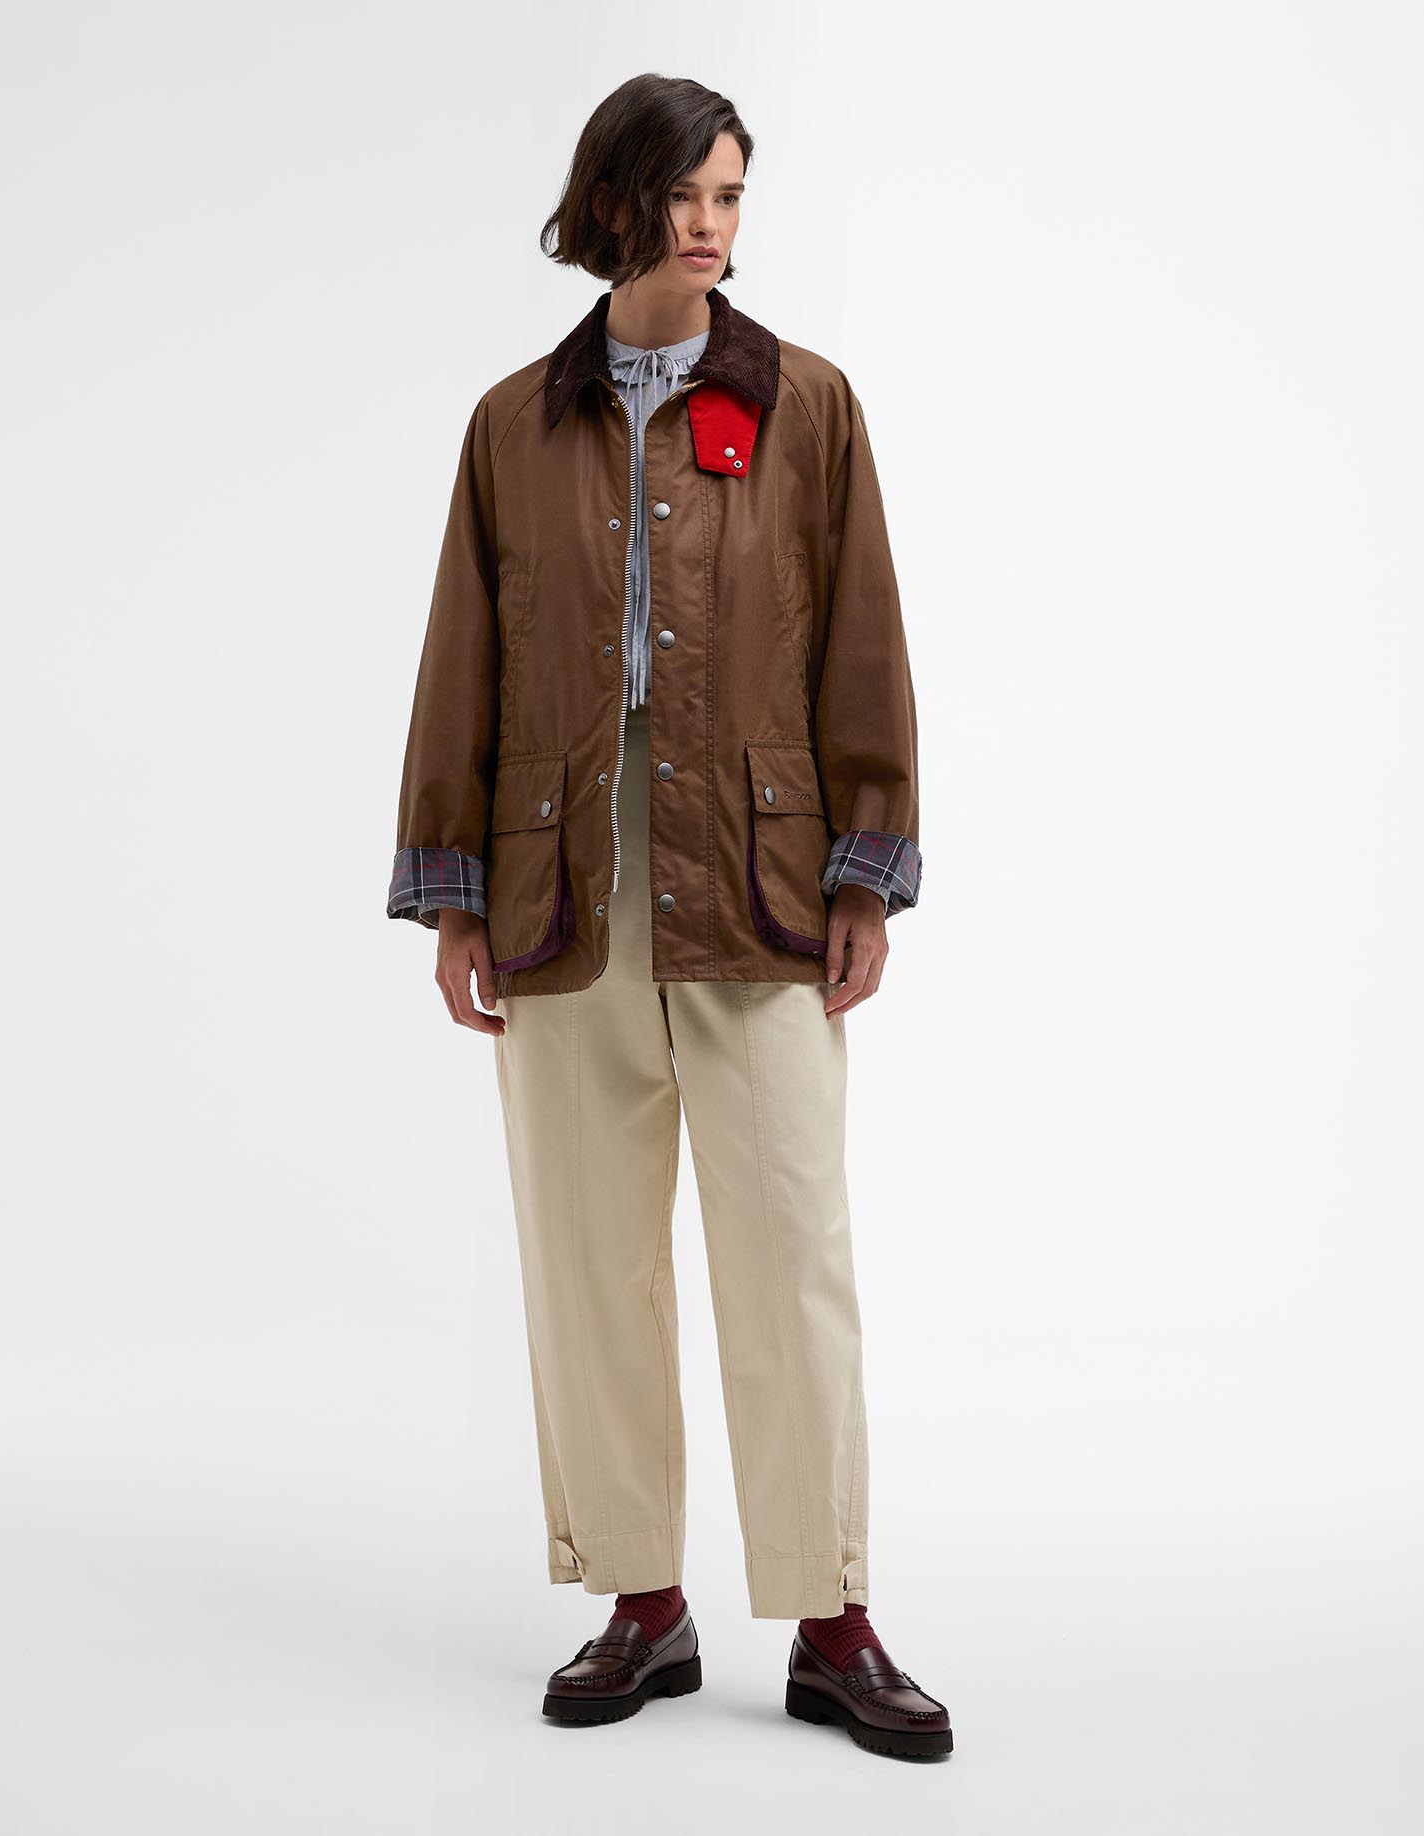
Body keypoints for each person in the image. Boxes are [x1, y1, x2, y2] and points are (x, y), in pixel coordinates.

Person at [387, 72, 953, 1762]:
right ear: (612, 204)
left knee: (792, 1248)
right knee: (589, 1253)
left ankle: (834, 1620)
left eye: (730, 197)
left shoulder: (807, 405)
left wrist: (868, 867)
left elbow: (862, 638)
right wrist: (453, 893)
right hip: (563, 869)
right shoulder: (513, 424)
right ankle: (642, 1601)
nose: (710, 226)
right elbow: (463, 659)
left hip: (759, 866)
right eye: (684, 195)